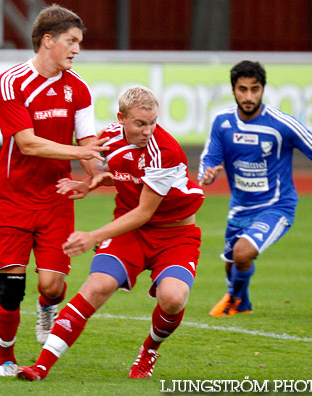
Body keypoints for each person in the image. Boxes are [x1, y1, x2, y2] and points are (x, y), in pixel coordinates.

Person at [17, 86, 205, 381]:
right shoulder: (111, 137)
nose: (148, 130)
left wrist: (92, 236)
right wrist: (92, 181)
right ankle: (40, 367)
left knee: (172, 298)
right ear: (122, 118)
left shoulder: (165, 151)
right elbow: (120, 174)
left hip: (175, 236)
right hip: (131, 233)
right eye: (140, 123)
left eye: (153, 122)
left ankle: (149, 351)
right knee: (96, 288)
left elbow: (144, 211)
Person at [0, 4, 108, 377]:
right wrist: (81, 152)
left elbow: (90, 146)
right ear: (47, 40)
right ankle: (5, 358)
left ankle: (46, 306)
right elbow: (27, 144)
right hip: (13, 198)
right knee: (10, 285)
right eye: (71, 41)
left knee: (53, 287)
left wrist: (104, 175)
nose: (76, 49)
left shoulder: (80, 89)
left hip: (56, 199)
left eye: (79, 43)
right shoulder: (12, 82)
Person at [198, 60, 312, 317]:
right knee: (233, 263)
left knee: (242, 253)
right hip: (239, 209)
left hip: (276, 207)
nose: (249, 96)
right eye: (243, 89)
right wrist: (207, 174)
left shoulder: (281, 124)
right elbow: (209, 159)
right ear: (233, 90)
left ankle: (233, 301)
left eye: (255, 89)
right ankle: (243, 304)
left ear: (263, 89)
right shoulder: (222, 123)